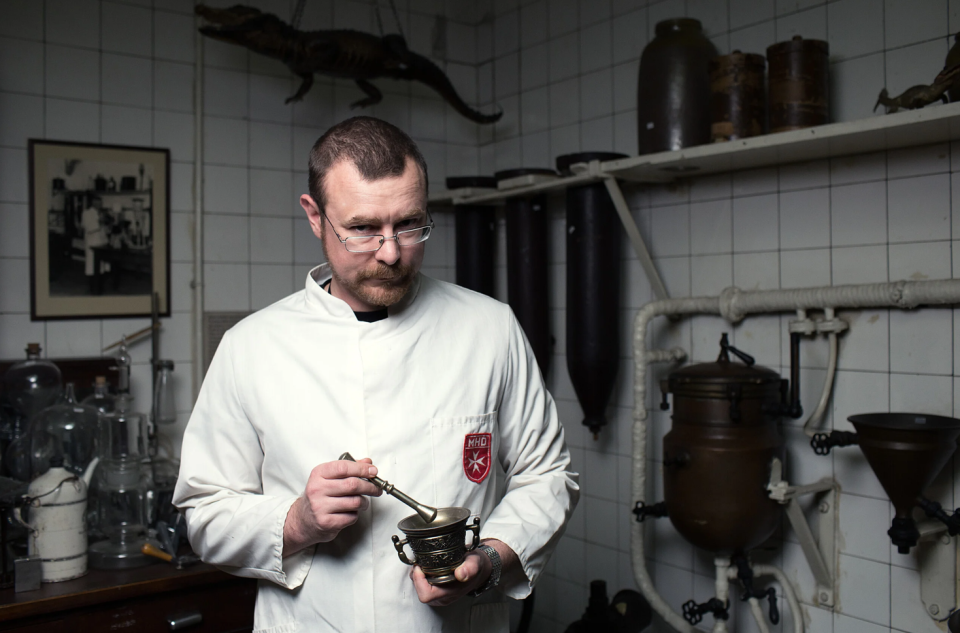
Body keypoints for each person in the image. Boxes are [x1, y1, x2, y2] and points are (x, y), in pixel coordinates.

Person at [173, 116, 579, 633]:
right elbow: (205, 514)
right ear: (315, 216)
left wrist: (490, 560)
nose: (390, 252)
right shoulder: (250, 347)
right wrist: (295, 521)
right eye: (363, 229)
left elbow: (547, 476)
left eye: (409, 225)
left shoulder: (489, 328)